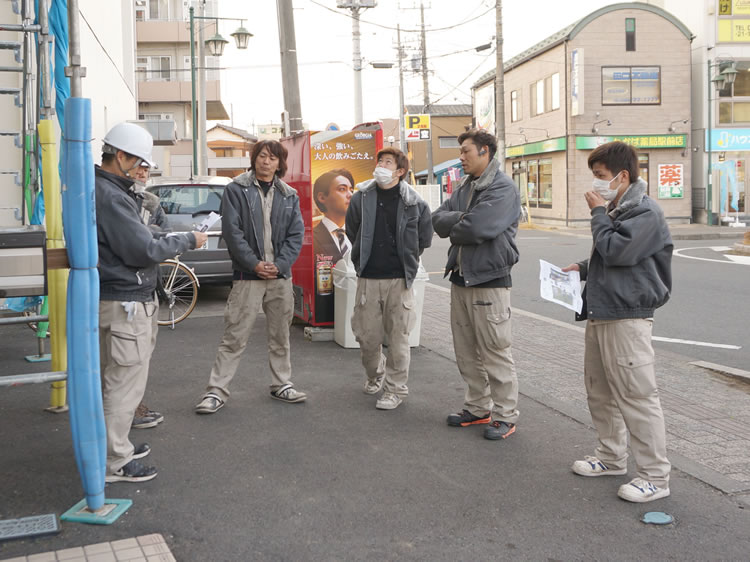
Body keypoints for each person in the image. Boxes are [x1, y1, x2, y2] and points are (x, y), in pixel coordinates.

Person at [96, 122, 207, 482]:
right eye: (139, 162)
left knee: (119, 380)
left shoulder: (110, 190)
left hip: (123, 297)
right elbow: (142, 249)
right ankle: (115, 461)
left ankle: (117, 446)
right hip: (124, 300)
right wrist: (187, 240)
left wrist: (169, 234)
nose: (144, 170)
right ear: (121, 156)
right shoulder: (111, 195)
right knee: (122, 384)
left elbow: (141, 236)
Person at [563, 141, 673, 503]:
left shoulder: (644, 212)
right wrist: (581, 268)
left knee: (637, 397)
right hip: (603, 310)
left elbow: (616, 250)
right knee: (600, 391)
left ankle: (655, 477)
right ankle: (611, 457)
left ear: (623, 176)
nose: (596, 185)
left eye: (601, 177)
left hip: (628, 316)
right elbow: (611, 255)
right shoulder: (619, 209)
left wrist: (597, 215)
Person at [195, 140, 305, 414]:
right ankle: (215, 391)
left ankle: (281, 383)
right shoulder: (236, 190)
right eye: (262, 156)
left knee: (280, 335)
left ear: (280, 163)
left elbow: (296, 235)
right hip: (247, 276)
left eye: (272, 158)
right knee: (235, 335)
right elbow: (233, 233)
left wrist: (279, 265)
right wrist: (254, 264)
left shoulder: (289, 194)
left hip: (280, 278)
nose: (266, 161)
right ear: (254, 159)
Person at [432, 128, 521, 440]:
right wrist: (464, 218)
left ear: (485, 151)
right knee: (466, 350)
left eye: (466, 151)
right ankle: (477, 408)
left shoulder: (502, 188)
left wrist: (462, 221)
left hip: (490, 280)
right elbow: (437, 219)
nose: (460, 158)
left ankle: (506, 415)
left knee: (495, 351)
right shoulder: (466, 186)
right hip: (460, 277)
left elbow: (477, 229)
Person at [346, 147, 433, 410]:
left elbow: (423, 238)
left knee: (399, 338)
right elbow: (352, 229)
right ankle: (375, 374)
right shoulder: (362, 197)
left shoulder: (414, 202)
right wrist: (364, 255)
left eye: (387, 163)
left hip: (399, 280)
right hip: (369, 278)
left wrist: (406, 260)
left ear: (400, 171)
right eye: (380, 161)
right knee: (366, 337)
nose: (381, 166)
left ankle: (395, 389)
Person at [131, 161, 166, 430]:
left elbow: (161, 236)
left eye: (146, 169)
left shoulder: (151, 201)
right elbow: (141, 242)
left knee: (144, 353)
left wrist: (151, 234)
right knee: (128, 358)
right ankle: (127, 413)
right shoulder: (115, 198)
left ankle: (135, 406)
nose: (142, 173)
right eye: (137, 167)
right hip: (126, 290)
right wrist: (149, 235)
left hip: (148, 285)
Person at [313, 169, 354, 263]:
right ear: (322, 197)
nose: (350, 195)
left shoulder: (360, 235)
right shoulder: (311, 238)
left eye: (351, 190)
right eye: (342, 189)